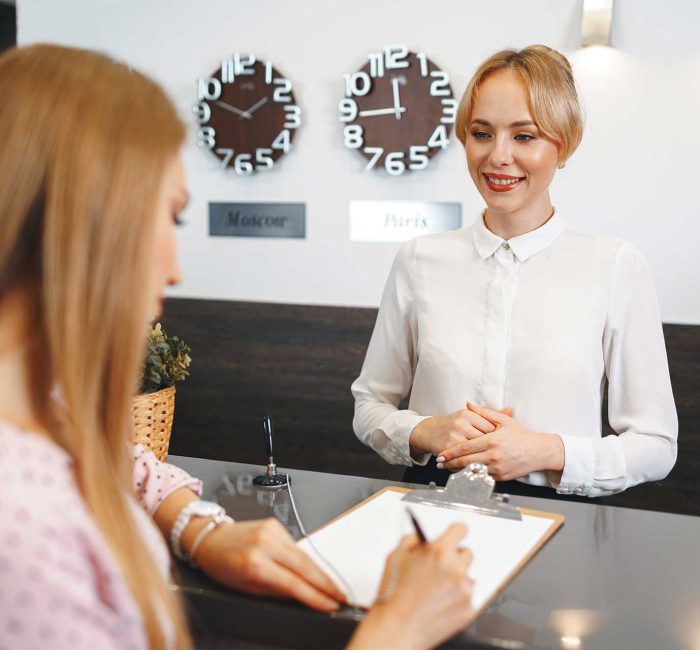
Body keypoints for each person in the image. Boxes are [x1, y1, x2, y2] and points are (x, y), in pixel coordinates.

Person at [0, 44, 474, 649]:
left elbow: (118, 460)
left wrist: (200, 530)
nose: (174, 271)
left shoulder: (46, 408)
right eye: (167, 219)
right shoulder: (21, 530)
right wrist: (399, 629)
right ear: (81, 222)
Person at [352, 44, 678, 500]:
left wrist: (546, 451)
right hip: (433, 509)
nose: (498, 157)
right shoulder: (419, 260)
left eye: (524, 136)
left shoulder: (615, 266)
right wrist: (427, 431)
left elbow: (656, 445)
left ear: (563, 144)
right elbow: (369, 405)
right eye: (482, 134)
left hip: (561, 520)